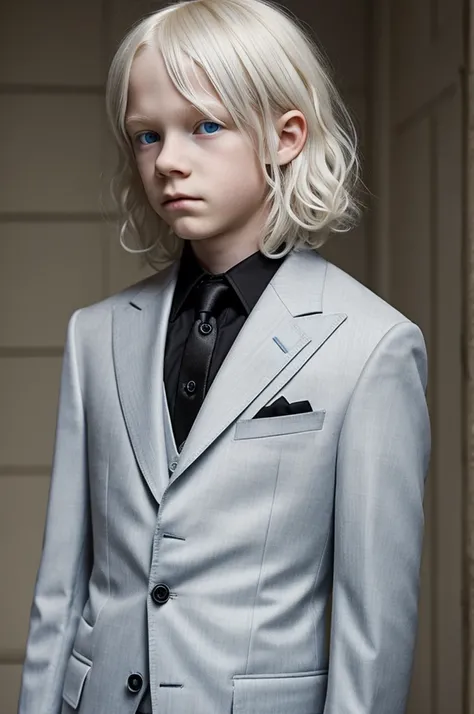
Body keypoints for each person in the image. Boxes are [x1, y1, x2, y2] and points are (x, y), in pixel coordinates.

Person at [18, 1, 431, 713]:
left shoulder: (372, 347)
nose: (169, 160)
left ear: (286, 134)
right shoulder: (97, 335)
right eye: (146, 135)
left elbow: (373, 633)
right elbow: (60, 593)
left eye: (205, 125)